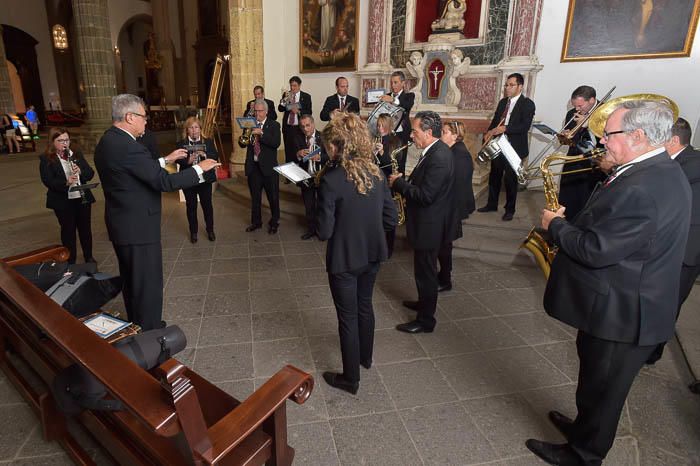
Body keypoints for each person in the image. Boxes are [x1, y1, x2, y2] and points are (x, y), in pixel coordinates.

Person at [526, 100, 691, 466]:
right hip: (620, 303)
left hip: (626, 312)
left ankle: (584, 455)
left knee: (604, 391)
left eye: (609, 132)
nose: (602, 138)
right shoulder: (651, 170)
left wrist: (555, 225)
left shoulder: (645, 186)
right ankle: (584, 429)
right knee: (594, 383)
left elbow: (597, 250)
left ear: (638, 135)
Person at [94, 94, 219, 331]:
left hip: (123, 223)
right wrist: (199, 170)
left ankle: (137, 324)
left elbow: (139, 170)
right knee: (147, 284)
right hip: (139, 227)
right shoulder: (128, 146)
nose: (146, 122)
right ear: (130, 117)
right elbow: (164, 183)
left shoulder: (108, 141)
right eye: (143, 117)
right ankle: (150, 333)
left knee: (133, 281)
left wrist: (165, 159)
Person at [317, 112, 398, 394]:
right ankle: (365, 358)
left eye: (329, 146)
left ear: (337, 146)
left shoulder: (331, 180)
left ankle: (350, 379)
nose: (327, 150)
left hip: (344, 259)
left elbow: (324, 232)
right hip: (374, 254)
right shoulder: (376, 172)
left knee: (347, 317)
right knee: (365, 305)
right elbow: (390, 220)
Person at [389, 111, 454, 333]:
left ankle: (426, 321)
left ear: (427, 132)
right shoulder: (433, 151)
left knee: (426, 274)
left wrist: (399, 184)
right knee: (422, 272)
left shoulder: (440, 157)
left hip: (430, 226)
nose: (410, 135)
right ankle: (423, 304)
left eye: (414, 131)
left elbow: (426, 195)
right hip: (426, 223)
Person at [647, 117, 700, 364]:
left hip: (686, 249)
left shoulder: (693, 163)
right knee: (659, 299)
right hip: (672, 243)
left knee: (669, 303)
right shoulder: (678, 160)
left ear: (674, 140)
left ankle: (652, 351)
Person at [477, 73, 535, 221]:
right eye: (506, 85)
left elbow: (524, 126)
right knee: (494, 175)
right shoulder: (503, 102)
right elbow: (496, 119)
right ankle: (491, 204)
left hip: (514, 147)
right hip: (498, 145)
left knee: (510, 179)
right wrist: (489, 132)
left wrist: (505, 128)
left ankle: (510, 209)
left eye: (511, 85)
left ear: (520, 86)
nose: (507, 88)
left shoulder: (527, 104)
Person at [39, 128, 96, 264]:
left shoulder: (75, 154)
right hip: (63, 201)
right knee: (68, 232)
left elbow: (90, 173)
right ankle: (71, 261)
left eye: (67, 140)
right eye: (60, 141)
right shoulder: (46, 158)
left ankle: (89, 257)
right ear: (52, 142)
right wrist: (66, 182)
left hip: (82, 198)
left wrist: (80, 171)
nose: (65, 143)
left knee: (85, 230)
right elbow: (48, 181)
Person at [558, 85, 605, 221]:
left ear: (591, 100)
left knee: (586, 198)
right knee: (567, 196)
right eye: (575, 105)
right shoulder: (572, 113)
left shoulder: (605, 111)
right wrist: (565, 136)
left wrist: (588, 124)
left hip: (593, 163)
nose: (576, 109)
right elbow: (570, 140)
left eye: (580, 105)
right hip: (573, 159)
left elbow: (604, 141)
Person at [437, 121, 475, 291]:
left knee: (444, 244)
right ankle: (444, 276)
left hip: (452, 205)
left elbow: (456, 183)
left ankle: (445, 280)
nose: (441, 135)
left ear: (455, 135)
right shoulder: (452, 150)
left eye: (444, 132)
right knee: (444, 243)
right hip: (449, 204)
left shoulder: (459, 154)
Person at [241, 99, 282, 234]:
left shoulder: (274, 125)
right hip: (254, 167)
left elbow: (275, 143)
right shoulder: (249, 123)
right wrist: (245, 136)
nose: (257, 113)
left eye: (260, 111)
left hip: (269, 168)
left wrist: (261, 133)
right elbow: (243, 143)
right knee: (255, 198)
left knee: (273, 197)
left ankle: (274, 222)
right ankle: (256, 222)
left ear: (266, 111)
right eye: (256, 111)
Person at [176, 116, 219, 243]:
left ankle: (210, 230)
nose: (194, 130)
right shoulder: (181, 144)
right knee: (191, 207)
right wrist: (188, 160)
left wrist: (204, 154)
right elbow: (178, 159)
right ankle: (193, 232)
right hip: (188, 180)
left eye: (196, 127)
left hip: (204, 180)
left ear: (200, 129)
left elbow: (215, 156)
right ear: (187, 130)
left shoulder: (208, 142)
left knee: (207, 206)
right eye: (191, 128)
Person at [374, 113, 403, 258]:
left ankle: (388, 249)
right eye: (378, 125)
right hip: (376, 181)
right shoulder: (375, 139)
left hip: (389, 182)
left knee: (387, 216)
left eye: (382, 125)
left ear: (389, 126)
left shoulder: (395, 141)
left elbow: (393, 164)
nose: (380, 128)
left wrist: (382, 152)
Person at [294, 114, 327, 240]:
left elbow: (330, 156)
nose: (305, 129)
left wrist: (319, 157)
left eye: (308, 125)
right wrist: (298, 154)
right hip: (306, 176)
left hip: (321, 176)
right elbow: (293, 156)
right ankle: (311, 229)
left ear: (313, 124)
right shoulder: (297, 138)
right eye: (302, 127)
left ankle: (322, 229)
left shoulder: (323, 137)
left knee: (323, 205)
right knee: (309, 205)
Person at [279, 76, 312, 165]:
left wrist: (298, 112)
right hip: (288, 127)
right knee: (288, 151)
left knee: (299, 150)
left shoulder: (306, 96)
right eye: (291, 86)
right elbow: (280, 109)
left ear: (299, 85)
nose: (292, 88)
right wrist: (284, 100)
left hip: (300, 128)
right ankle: (289, 174)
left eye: (295, 86)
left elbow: (309, 112)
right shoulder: (286, 94)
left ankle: (301, 171)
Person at [380, 71, 415, 146]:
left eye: (395, 82)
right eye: (391, 83)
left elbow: (406, 106)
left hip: (402, 134)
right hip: (386, 133)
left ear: (403, 83)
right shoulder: (386, 96)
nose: (393, 85)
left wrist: (393, 100)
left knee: (401, 157)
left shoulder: (409, 96)